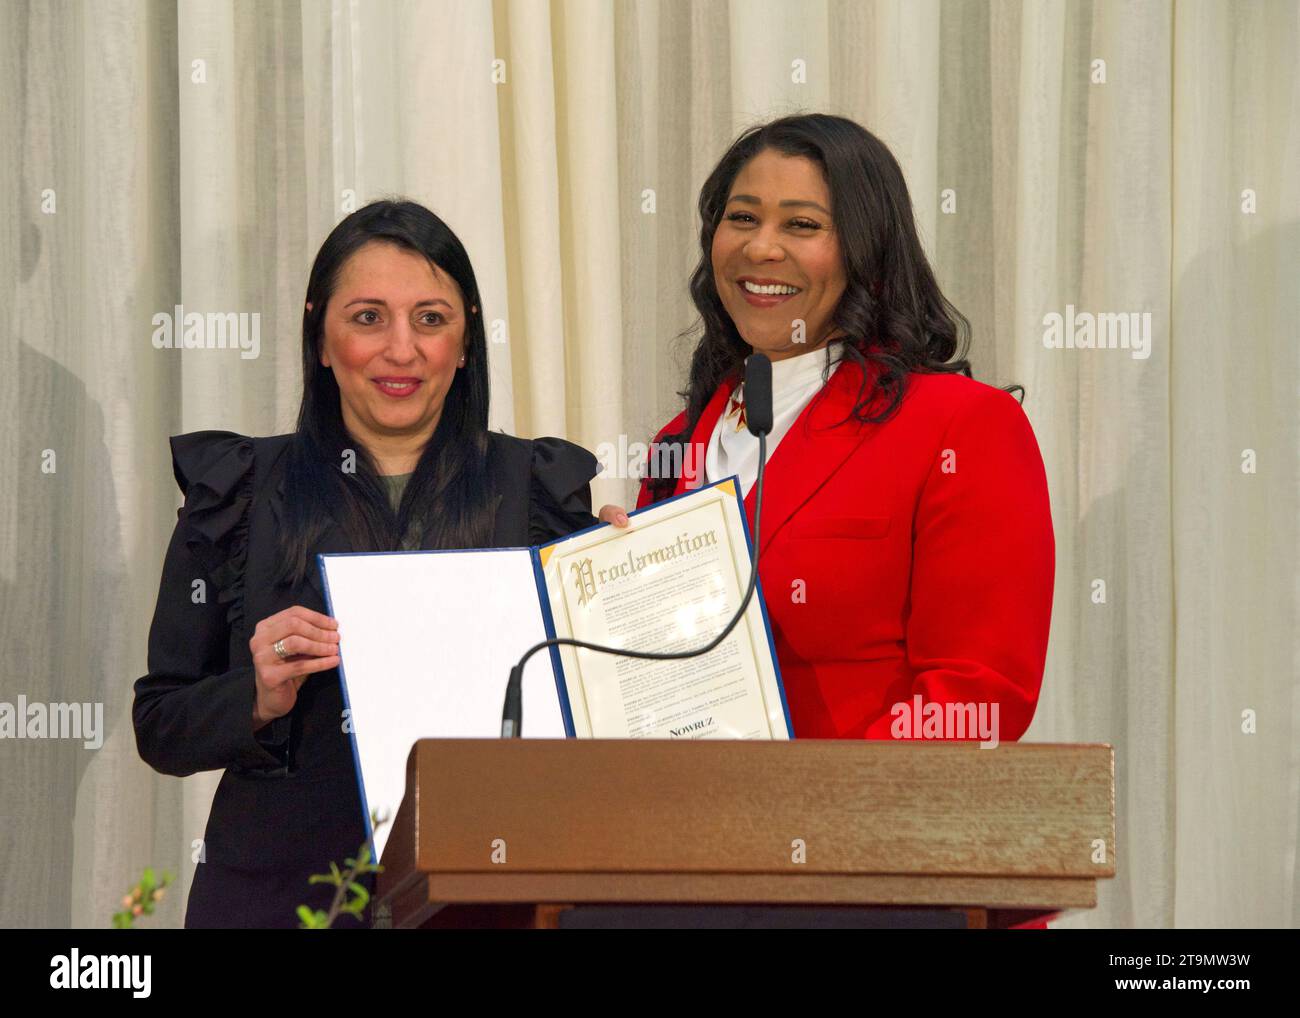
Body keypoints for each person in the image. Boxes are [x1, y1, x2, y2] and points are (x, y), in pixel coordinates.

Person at [134, 199, 621, 928]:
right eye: (368, 318)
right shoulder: (236, 489)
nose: (402, 349)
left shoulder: (537, 491)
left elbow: (597, 716)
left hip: (486, 899)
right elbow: (161, 722)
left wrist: (628, 583)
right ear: (321, 338)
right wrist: (259, 695)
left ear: (466, 343)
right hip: (276, 899)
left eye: (431, 319)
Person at [636, 113, 1056, 747]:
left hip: (860, 832)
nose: (761, 248)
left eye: (802, 225)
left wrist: (816, 810)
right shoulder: (679, 441)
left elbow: (977, 695)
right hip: (685, 827)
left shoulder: (962, 425)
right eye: (742, 217)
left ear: (866, 249)